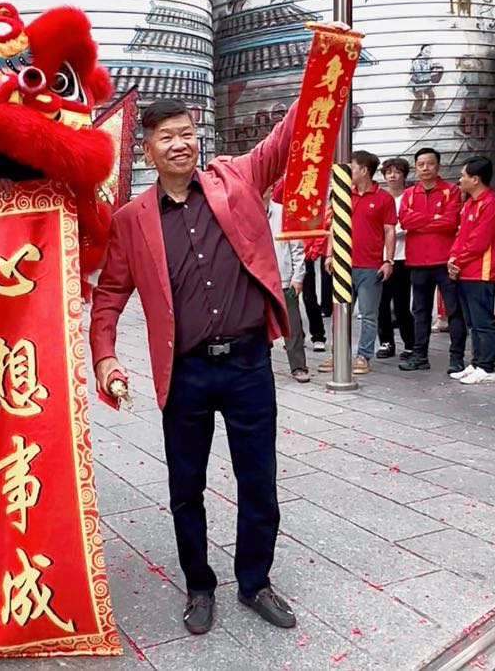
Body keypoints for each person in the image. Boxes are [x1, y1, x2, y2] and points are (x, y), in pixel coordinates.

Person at [90, 97, 298, 635]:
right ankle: (199, 587)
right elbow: (109, 295)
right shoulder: (132, 221)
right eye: (166, 137)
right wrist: (106, 356)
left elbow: (286, 135)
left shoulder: (238, 179)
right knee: (186, 488)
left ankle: (255, 583)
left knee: (259, 480)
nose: (179, 144)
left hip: (248, 364)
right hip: (185, 373)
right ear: (148, 151)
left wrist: (328, 65)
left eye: (186, 133)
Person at [322, 151, 396, 374]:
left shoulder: (384, 198)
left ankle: (363, 356)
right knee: (339, 313)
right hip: (343, 264)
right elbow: (334, 226)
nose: (347, 172)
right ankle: (337, 354)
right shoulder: (343, 194)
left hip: (371, 266)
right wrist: (329, 254)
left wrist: (388, 260)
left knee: (368, 314)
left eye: (351, 168)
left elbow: (389, 231)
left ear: (364, 170)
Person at [398, 147, 465, 373]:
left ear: (438, 166)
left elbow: (451, 222)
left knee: (454, 310)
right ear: (415, 168)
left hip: (445, 261)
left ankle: (456, 358)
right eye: (421, 164)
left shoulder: (451, 190)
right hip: (417, 262)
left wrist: (421, 222)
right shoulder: (409, 193)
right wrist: (433, 219)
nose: (425, 168)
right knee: (420, 311)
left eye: (430, 163)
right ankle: (419, 356)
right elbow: (405, 221)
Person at [447, 156, 495, 384]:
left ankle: (487, 367)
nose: (459, 180)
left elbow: (479, 241)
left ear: (475, 179)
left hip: (482, 272)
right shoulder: (470, 203)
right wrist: (453, 259)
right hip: (464, 270)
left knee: (483, 321)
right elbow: (461, 236)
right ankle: (476, 362)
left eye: (463, 175)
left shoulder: (491, 204)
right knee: (472, 321)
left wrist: (458, 261)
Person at [267, 180, 309, 382]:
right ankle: (261, 366)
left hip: (284, 279)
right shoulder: (246, 212)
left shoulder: (284, 212)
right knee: (257, 327)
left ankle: (298, 366)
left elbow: (297, 248)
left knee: (292, 326)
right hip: (259, 281)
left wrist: (298, 277)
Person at [377, 157, 415, 360]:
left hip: (402, 257)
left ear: (404, 175)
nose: (392, 176)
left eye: (397, 172)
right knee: (381, 303)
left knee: (401, 304)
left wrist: (390, 230)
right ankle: (386, 342)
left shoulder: (410, 196)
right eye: (388, 172)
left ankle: (410, 344)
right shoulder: (381, 197)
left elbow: (409, 224)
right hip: (379, 257)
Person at [302, 233, 330, 353]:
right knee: (289, 299)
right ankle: (296, 336)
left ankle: (318, 335)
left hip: (305, 255)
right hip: (286, 253)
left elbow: (319, 228)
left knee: (309, 298)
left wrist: (315, 251)